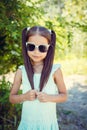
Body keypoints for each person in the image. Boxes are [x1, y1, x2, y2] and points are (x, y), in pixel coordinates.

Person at [9, 26, 67, 130]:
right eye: (31, 47)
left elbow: (64, 96)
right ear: (25, 45)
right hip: (28, 124)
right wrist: (24, 97)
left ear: (49, 48)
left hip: (48, 124)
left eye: (42, 48)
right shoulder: (21, 71)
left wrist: (49, 97)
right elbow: (12, 98)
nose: (36, 52)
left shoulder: (55, 70)